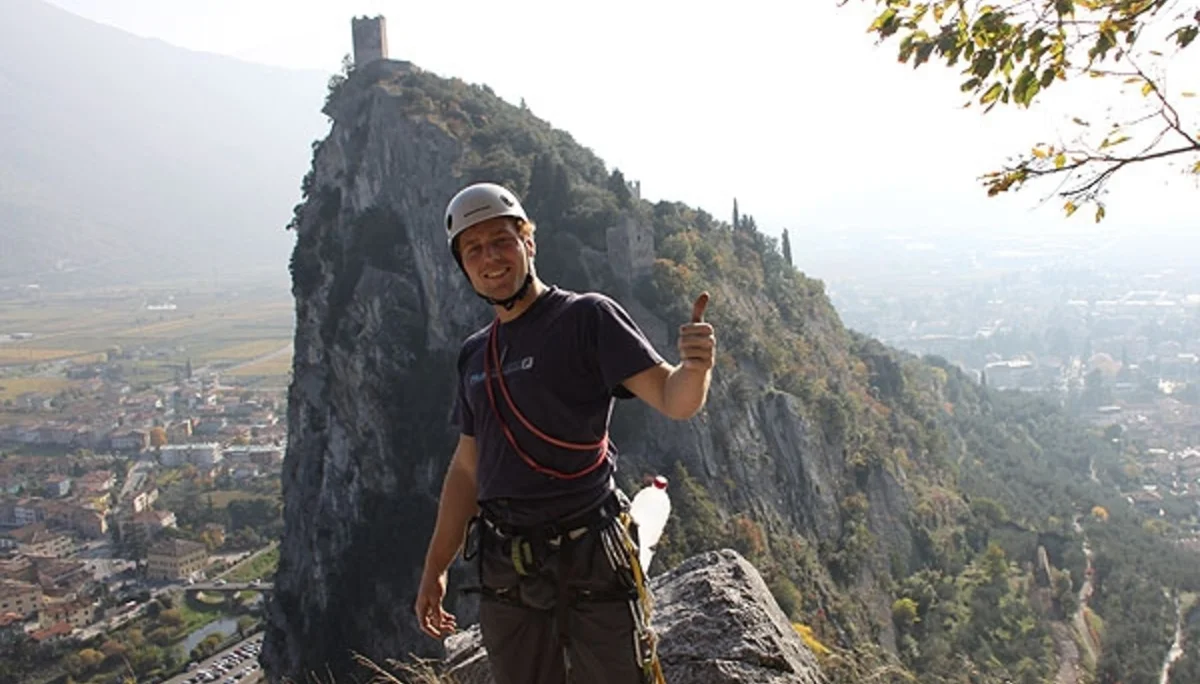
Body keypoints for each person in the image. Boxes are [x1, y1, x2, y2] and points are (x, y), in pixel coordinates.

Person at [414, 181, 715, 684]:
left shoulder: (585, 318)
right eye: (474, 249)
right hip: (507, 566)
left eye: (501, 240)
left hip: (591, 554)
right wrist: (434, 568)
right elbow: (467, 468)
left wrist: (697, 367)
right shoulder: (473, 355)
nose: (490, 257)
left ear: (529, 241)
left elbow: (672, 397)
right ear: (463, 266)